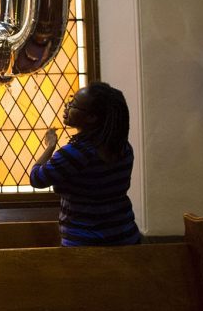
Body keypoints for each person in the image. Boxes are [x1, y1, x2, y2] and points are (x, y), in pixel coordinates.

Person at [30, 81, 141, 247]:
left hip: (84, 244)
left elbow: (37, 178)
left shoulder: (76, 153)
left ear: (91, 117)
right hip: (125, 238)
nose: (67, 106)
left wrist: (50, 146)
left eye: (73, 104)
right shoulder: (123, 148)